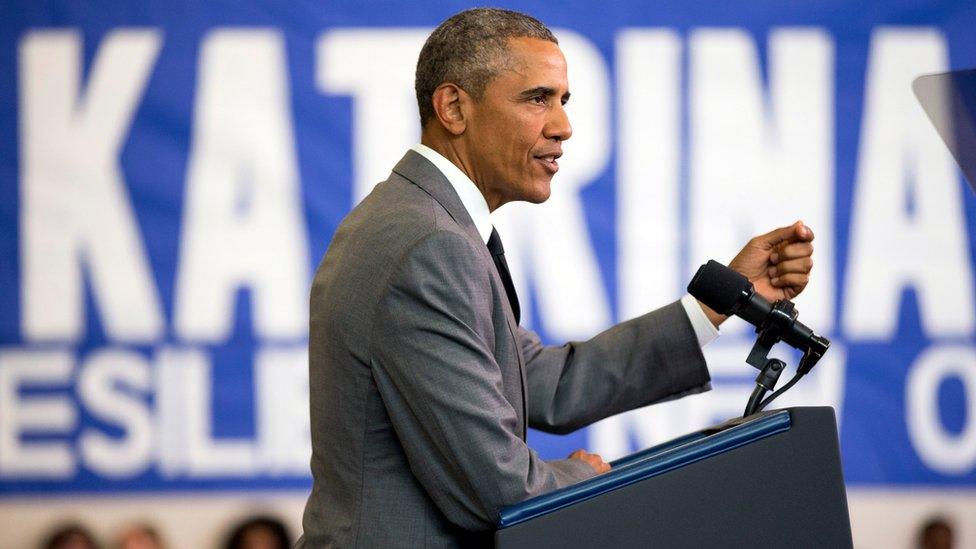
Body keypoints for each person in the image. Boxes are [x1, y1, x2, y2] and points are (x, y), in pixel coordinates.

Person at [298, 7, 815, 547]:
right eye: (537, 98)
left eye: (562, 101)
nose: (563, 126)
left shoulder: (426, 223)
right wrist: (585, 477)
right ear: (453, 107)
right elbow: (499, 491)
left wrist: (722, 300)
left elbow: (545, 384)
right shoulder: (428, 244)